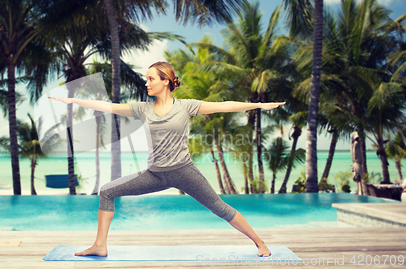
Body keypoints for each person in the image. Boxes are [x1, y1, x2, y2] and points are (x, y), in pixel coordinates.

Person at [49, 61, 285, 258]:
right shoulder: (143, 109)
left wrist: (259, 105)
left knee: (220, 208)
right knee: (107, 191)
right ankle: (100, 246)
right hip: (155, 174)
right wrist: (73, 101)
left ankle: (260, 242)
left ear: (166, 81)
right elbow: (109, 106)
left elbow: (224, 106)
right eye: (147, 79)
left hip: (184, 172)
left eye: (151, 79)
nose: (147, 83)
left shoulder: (186, 107)